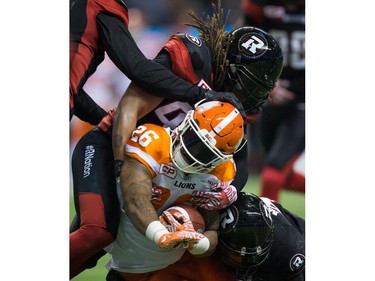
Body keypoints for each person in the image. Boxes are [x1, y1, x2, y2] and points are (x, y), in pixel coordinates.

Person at [70, 1, 284, 278]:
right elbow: (130, 104)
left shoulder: (240, 105)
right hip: (115, 148)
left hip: (164, 171)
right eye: (249, 85)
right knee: (96, 235)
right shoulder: (192, 59)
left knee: (163, 241)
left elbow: (239, 155)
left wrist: (228, 192)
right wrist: (120, 164)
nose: (251, 97)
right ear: (230, 69)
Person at [104, 101, 244, 279]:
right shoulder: (154, 140)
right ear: (186, 122)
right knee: (92, 235)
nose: (193, 153)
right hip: (126, 240)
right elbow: (134, 200)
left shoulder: (221, 172)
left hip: (167, 260)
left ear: (220, 158)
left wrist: (200, 244)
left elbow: (212, 228)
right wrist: (161, 235)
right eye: (193, 139)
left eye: (206, 152)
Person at [70, 0, 244, 124]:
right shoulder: (99, 4)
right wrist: (202, 94)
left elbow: (74, 92)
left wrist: (105, 122)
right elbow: (137, 67)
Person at [106, 192, 305, 281]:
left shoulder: (288, 249)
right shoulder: (206, 224)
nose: (243, 263)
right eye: (236, 256)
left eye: (249, 256)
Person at [240, 0, 305, 201]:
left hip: (303, 103)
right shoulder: (258, 8)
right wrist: (267, 84)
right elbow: (243, 47)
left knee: (272, 175)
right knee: (281, 175)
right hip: (268, 101)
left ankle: (269, 229)